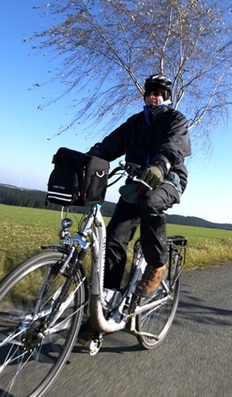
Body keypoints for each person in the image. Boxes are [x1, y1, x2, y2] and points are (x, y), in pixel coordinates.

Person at [86, 74, 191, 299]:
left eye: (158, 94)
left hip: (169, 179)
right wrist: (89, 158)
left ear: (166, 97)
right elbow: (112, 143)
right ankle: (106, 299)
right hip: (137, 183)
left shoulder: (175, 119)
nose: (153, 97)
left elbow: (174, 146)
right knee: (114, 237)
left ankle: (157, 264)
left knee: (150, 202)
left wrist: (160, 165)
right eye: (150, 93)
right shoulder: (135, 122)